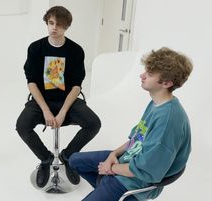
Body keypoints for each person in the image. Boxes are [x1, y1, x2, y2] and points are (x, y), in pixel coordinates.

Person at [69, 47, 193, 201]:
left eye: (149, 74)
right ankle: (106, 190)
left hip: (135, 182)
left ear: (167, 83)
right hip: (128, 162)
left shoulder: (168, 121)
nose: (142, 75)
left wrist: (111, 168)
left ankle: (115, 192)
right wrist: (113, 155)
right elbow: (136, 139)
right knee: (74, 160)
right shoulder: (156, 104)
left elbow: (146, 171)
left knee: (102, 177)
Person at [16, 6, 101, 188]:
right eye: (51, 23)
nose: (54, 28)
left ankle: (67, 157)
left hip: (67, 101)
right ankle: (46, 160)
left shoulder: (75, 50)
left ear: (67, 27)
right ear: (47, 23)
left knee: (94, 123)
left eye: (59, 24)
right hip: (41, 101)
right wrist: (45, 109)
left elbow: (77, 85)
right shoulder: (36, 48)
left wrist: (63, 112)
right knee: (22, 126)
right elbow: (31, 82)